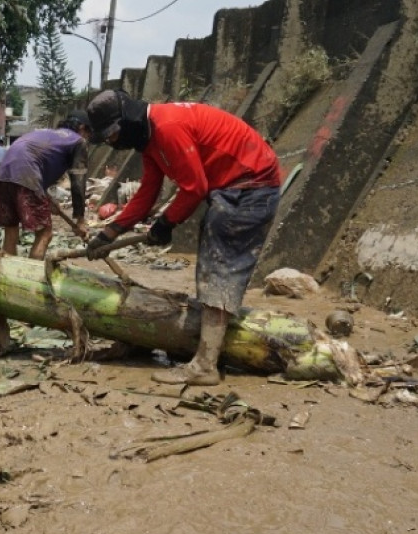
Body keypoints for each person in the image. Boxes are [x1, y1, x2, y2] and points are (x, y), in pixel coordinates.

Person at [84, 90, 281, 386]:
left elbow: (194, 187)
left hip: (250, 185)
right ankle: (207, 344)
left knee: (219, 266)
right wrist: (109, 233)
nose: (112, 141)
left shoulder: (167, 128)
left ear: (127, 121)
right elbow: (148, 191)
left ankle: (205, 365)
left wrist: (166, 223)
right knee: (212, 262)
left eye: (112, 134)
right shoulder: (151, 138)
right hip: (236, 185)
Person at [0, 114, 90, 260]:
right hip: (26, 175)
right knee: (45, 233)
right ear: (82, 128)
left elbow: (33, 163)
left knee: (11, 229)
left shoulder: (48, 135)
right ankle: (32, 273)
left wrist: (49, 199)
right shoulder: (78, 141)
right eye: (88, 133)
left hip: (3, 175)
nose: (88, 138)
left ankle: (8, 271)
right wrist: (80, 219)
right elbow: (78, 182)